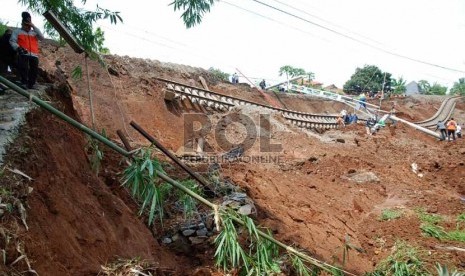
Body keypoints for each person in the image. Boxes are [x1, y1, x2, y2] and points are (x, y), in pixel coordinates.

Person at [10, 12, 44, 89]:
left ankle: (31, 84)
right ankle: (24, 83)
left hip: (34, 54)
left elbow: (42, 38)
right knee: (23, 69)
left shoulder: (34, 33)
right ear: (22, 24)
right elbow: (12, 41)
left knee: (34, 70)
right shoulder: (17, 31)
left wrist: (34, 26)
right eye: (26, 25)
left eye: (29, 25)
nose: (27, 27)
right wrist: (18, 48)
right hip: (23, 53)